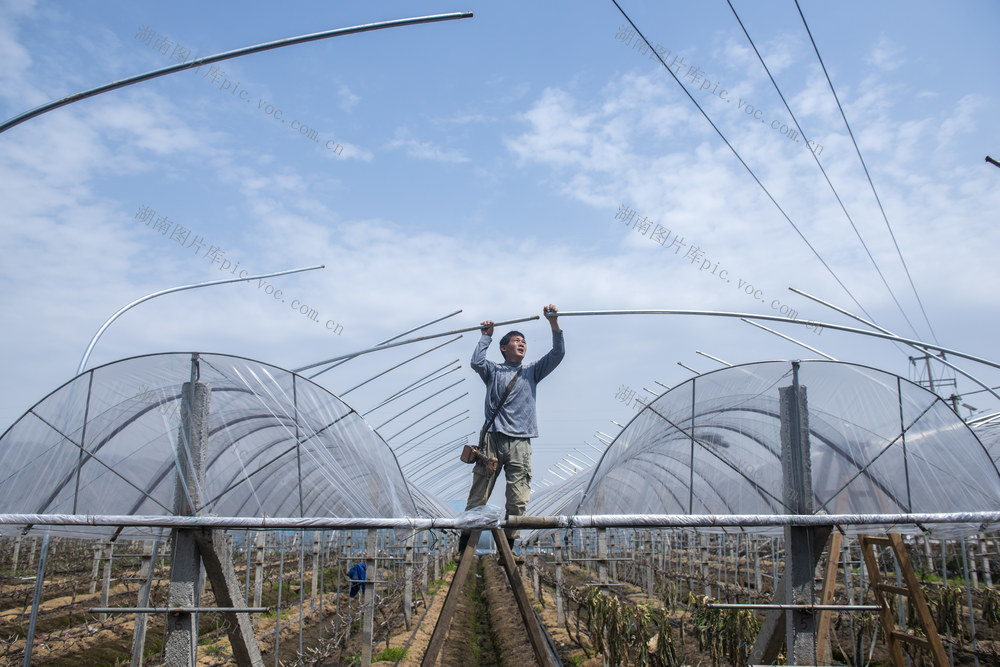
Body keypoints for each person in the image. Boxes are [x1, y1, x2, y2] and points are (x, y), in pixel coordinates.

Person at [458, 304, 565, 558]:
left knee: (518, 500)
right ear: (504, 348)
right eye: (517, 341)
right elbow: (476, 361)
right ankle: (464, 548)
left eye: (524, 342)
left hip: (521, 442)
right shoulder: (493, 371)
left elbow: (558, 353)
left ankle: (508, 549)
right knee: (479, 495)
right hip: (492, 440)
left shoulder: (532, 372)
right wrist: (486, 336)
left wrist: (554, 324)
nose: (522, 344)